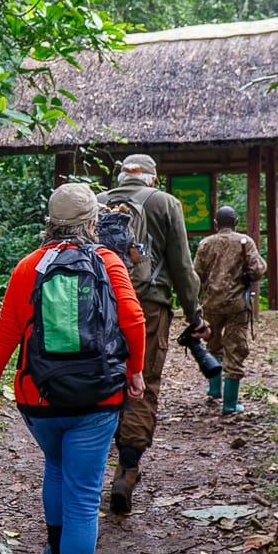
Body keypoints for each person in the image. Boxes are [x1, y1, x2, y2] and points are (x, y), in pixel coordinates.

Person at [0, 183, 146, 554]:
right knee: (84, 498)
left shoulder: (29, 265)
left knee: (55, 466)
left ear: (50, 222)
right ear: (93, 222)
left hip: (39, 397)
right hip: (97, 399)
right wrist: (135, 372)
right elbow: (133, 321)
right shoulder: (109, 263)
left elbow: (8, 328)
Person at [98, 153, 202, 514]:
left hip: (101, 307)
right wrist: (194, 314)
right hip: (149, 305)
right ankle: (127, 468)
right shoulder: (165, 204)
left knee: (105, 377)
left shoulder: (96, 203)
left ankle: (94, 461)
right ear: (152, 179)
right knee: (144, 380)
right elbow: (182, 266)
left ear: (121, 175)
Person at [193, 205, 267, 414]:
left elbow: (195, 274)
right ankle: (230, 404)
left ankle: (214, 389)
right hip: (237, 305)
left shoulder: (205, 244)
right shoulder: (245, 242)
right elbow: (258, 269)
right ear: (236, 222)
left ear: (216, 224)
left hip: (211, 304)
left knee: (213, 345)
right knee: (235, 350)